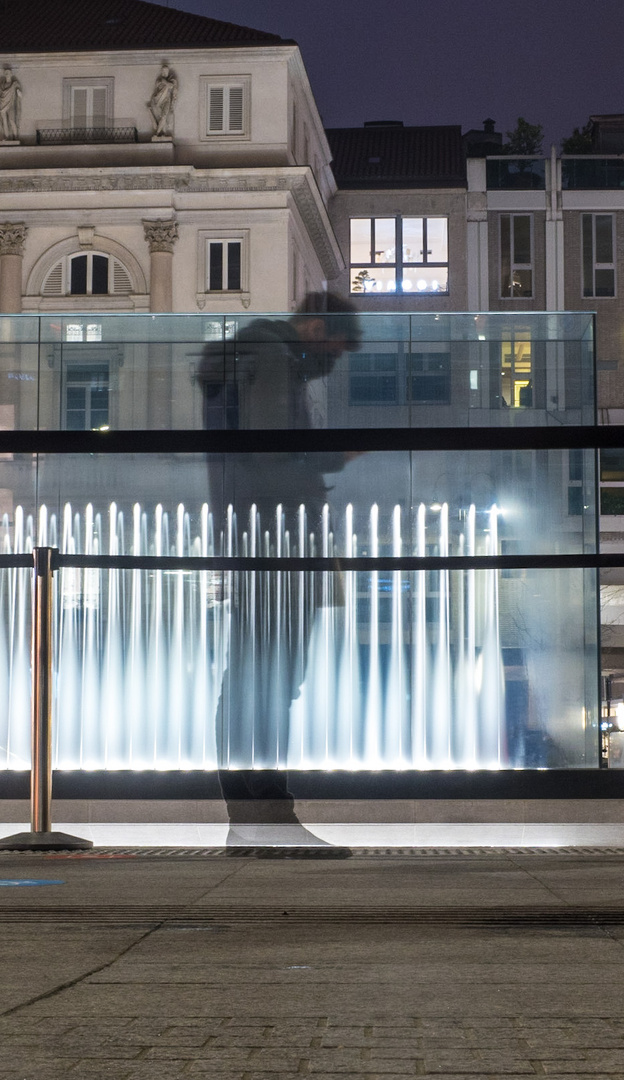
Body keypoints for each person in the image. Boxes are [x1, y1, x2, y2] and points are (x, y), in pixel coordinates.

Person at [197, 293, 361, 848]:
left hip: (260, 540)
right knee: (265, 680)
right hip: (278, 543)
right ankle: (264, 815)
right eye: (334, 351)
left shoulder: (258, 358)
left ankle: (255, 814)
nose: (331, 363)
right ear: (314, 327)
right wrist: (336, 455)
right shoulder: (270, 360)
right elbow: (271, 454)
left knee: (257, 677)